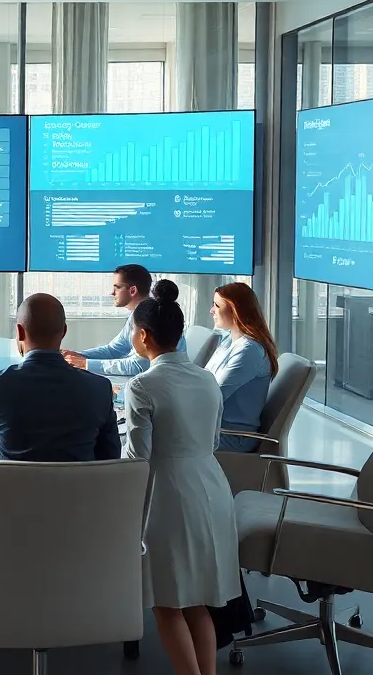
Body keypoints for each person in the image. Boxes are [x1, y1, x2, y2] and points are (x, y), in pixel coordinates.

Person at [0, 293, 120, 672]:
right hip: (79, 527)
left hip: (5, 531)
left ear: (19, 332)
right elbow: (110, 462)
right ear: (64, 333)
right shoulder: (99, 389)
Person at [121, 280, 240, 675]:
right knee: (196, 602)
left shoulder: (141, 386)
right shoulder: (206, 378)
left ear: (143, 336)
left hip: (168, 496)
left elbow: (138, 456)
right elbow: (215, 438)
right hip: (211, 486)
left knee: (167, 602)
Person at [64, 264, 185, 377]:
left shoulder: (153, 317)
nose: (112, 293)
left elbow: (139, 366)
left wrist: (86, 363)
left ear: (133, 290)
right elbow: (115, 349)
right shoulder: (136, 315)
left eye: (117, 288)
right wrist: (78, 356)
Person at [207, 282, 279, 452]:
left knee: (162, 437)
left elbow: (213, 394)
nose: (212, 310)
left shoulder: (249, 350)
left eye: (217, 306)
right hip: (216, 428)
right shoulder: (228, 341)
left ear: (235, 311)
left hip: (233, 436)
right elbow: (204, 382)